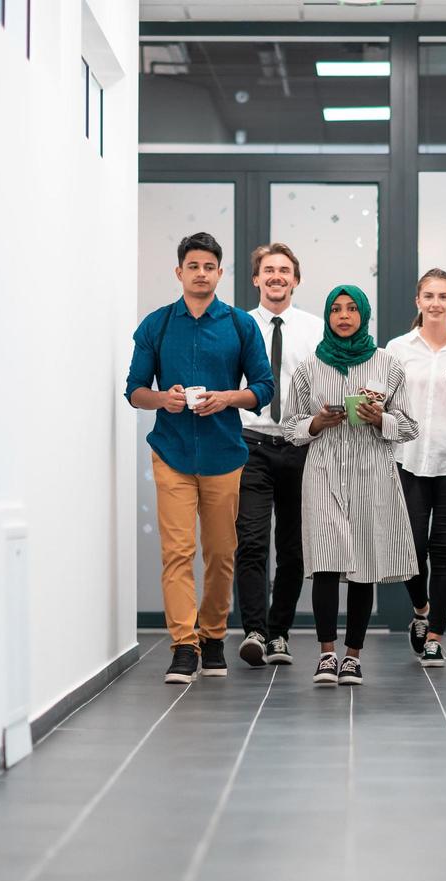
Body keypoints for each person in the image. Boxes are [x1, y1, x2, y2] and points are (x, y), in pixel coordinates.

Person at [124, 231, 275, 684]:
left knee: (221, 552)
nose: (201, 273)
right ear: (179, 272)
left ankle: (213, 637)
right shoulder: (157, 325)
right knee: (177, 551)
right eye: (193, 266)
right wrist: (163, 399)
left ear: (220, 273)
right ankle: (184, 645)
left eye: (209, 267)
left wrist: (228, 397)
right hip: (170, 452)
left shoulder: (239, 325)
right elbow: (134, 391)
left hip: (225, 454)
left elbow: (264, 388)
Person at [283, 284, 419, 686]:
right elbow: (291, 427)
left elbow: (410, 427)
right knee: (325, 562)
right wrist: (316, 423)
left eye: (351, 309)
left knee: (363, 565)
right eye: (336, 310)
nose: (343, 316)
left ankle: (353, 657)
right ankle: (327, 655)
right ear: (328, 316)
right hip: (324, 471)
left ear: (363, 315)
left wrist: (380, 418)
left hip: (371, 473)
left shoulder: (389, 365)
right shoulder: (309, 367)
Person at [234, 244, 324, 669]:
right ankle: (254, 629)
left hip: (300, 445)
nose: (276, 277)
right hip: (249, 442)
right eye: (268, 270)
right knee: (251, 541)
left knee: (293, 548)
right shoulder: (236, 325)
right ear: (256, 279)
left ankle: (279, 633)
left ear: (296, 279)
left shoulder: (315, 329)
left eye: (284, 270)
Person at [386, 269, 446, 668]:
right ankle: (420, 609)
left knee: (445, 550)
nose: (436, 303)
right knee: (411, 549)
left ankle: (435, 635)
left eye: (443, 296)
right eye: (429, 296)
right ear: (418, 301)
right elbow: (382, 400)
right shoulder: (398, 348)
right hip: (408, 460)